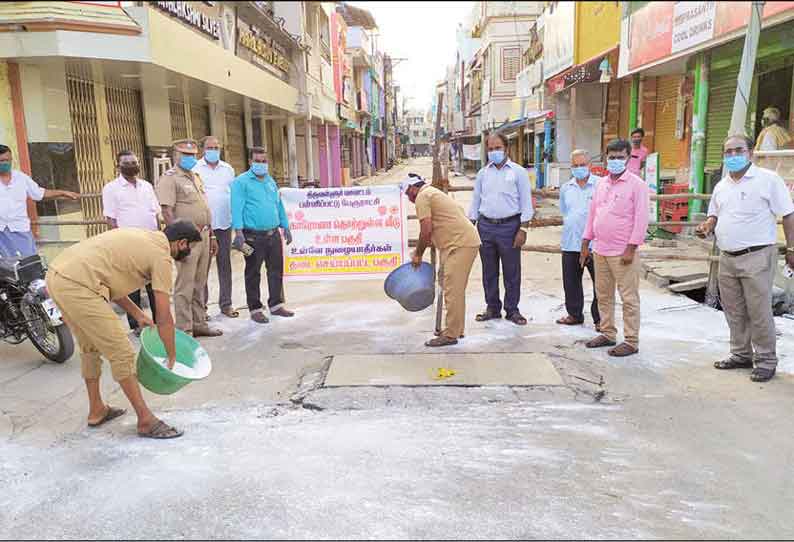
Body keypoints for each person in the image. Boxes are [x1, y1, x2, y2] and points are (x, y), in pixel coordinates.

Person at [47, 220, 203, 439]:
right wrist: (171, 354)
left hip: (58, 275)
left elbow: (110, 280)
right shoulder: (162, 256)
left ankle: (97, 409)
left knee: (90, 346)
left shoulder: (142, 236)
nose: (188, 255)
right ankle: (146, 421)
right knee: (122, 351)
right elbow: (164, 316)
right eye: (190, 249)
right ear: (182, 243)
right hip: (78, 284)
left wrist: (138, 313)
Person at [696, 134, 794, 382]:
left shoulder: (768, 180)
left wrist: (792, 249)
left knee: (759, 311)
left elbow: (789, 214)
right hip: (727, 257)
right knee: (734, 309)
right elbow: (715, 215)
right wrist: (707, 225)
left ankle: (766, 360)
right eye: (728, 152)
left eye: (738, 150)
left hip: (757, 256)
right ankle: (741, 354)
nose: (733, 156)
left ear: (751, 152)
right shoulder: (721, 185)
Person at [581, 138, 649, 357]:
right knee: (603, 295)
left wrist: (631, 247)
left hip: (623, 252)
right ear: (605, 158)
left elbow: (641, 218)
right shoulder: (601, 183)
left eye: (620, 157)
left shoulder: (637, 185)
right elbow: (593, 214)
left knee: (629, 298)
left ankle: (631, 340)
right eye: (612, 157)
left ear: (628, 158)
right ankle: (608, 332)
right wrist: (585, 242)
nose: (616, 161)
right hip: (599, 249)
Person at [156, 139, 222, 338]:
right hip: (186, 239)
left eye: (192, 155)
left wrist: (212, 236)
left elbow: (203, 208)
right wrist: (178, 240)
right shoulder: (170, 178)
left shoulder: (195, 176)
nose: (189, 158)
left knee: (199, 283)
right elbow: (167, 211)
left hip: (203, 235)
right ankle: (184, 328)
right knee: (185, 284)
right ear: (175, 156)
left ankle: (199, 323)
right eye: (185, 154)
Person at [405, 175, 481, 347]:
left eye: (408, 194)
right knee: (451, 287)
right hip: (458, 243)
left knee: (453, 289)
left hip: (460, 244)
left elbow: (425, 230)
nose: (409, 198)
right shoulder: (432, 193)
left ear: (413, 189)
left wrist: (418, 254)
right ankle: (456, 329)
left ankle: (451, 334)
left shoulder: (422, 197)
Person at [468, 133, 534, 326]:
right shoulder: (483, 173)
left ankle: (512, 310)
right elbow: (475, 201)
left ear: (506, 148)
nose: (494, 151)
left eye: (497, 148)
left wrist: (522, 228)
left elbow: (526, 202)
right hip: (485, 226)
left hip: (510, 227)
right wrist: (471, 226)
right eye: (490, 148)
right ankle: (492, 307)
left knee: (511, 271)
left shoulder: (518, 172)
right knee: (489, 270)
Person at [231, 147, 294, 324]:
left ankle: (276, 305)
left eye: (264, 161)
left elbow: (278, 205)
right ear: (250, 162)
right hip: (252, 236)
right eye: (257, 161)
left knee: (276, 270)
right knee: (253, 273)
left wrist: (285, 226)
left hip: (273, 235)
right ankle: (255, 309)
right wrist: (239, 232)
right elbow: (236, 208)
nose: (261, 164)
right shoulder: (240, 183)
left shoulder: (270, 181)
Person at [102, 150, 161, 336]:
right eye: (126, 163)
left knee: (154, 284)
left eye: (134, 162)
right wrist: (118, 243)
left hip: (151, 242)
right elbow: (110, 219)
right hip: (127, 244)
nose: (131, 165)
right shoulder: (111, 189)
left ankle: (159, 321)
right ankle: (137, 324)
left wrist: (159, 237)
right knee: (132, 285)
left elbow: (155, 214)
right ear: (118, 166)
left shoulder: (147, 186)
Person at [0, 144, 79, 258]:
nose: (4, 163)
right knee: (6, 268)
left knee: (29, 262)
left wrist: (62, 192)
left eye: (7, 160)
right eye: (1, 161)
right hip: (1, 231)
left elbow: (39, 194)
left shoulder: (21, 178)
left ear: (12, 160)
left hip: (20, 228)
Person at [194, 136, 238, 319]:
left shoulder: (227, 169)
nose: (213, 151)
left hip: (224, 224)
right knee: (202, 267)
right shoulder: (195, 169)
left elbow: (233, 195)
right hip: (203, 226)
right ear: (203, 149)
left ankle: (226, 305)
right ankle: (202, 308)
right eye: (210, 147)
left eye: (216, 147)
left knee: (225, 265)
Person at [556, 149, 600, 330]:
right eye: (575, 165)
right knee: (571, 282)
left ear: (589, 165)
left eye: (582, 164)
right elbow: (565, 212)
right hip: (571, 242)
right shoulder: (567, 188)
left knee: (601, 283)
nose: (579, 168)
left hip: (596, 245)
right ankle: (574, 314)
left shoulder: (601, 185)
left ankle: (600, 318)